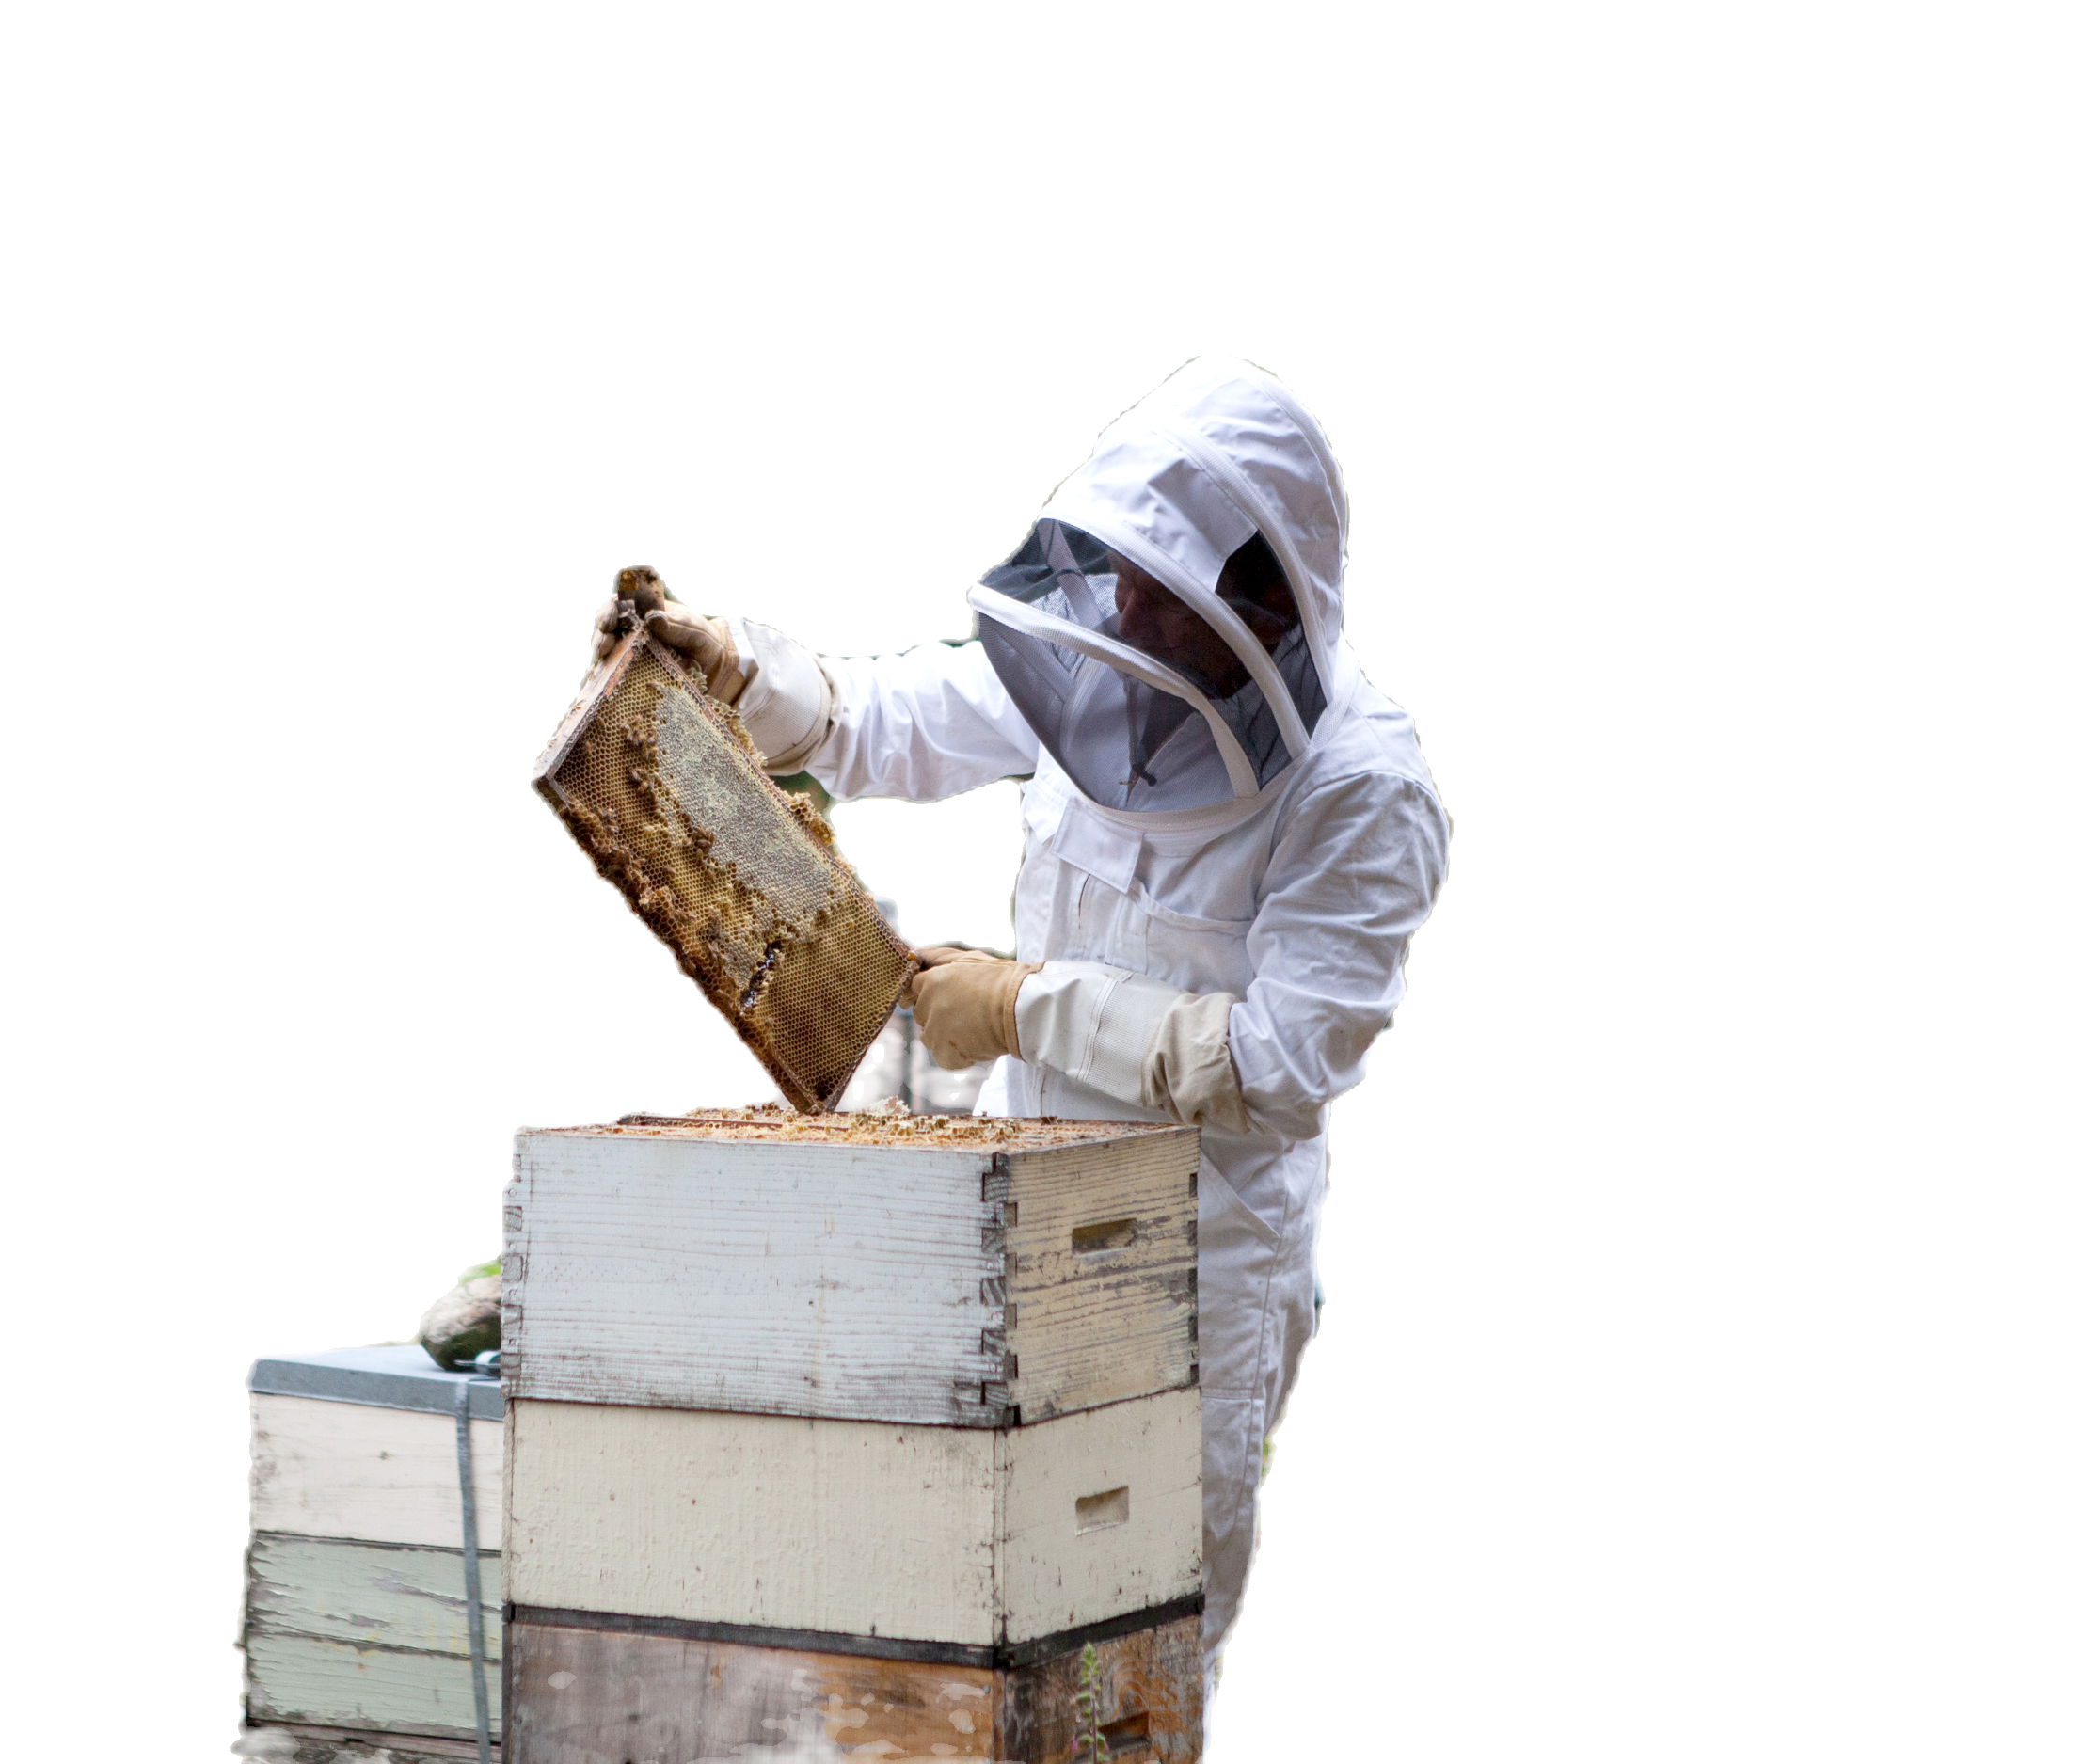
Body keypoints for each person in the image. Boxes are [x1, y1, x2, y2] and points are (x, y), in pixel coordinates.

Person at [588, 354, 1447, 1753]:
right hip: (1015, 1216)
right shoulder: (1110, 650)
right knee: (967, 1630)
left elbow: (1288, 1066)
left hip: (1194, 1268)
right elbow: (890, 719)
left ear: (1272, 595)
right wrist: (739, 664)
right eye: (1120, 572)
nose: (1129, 612)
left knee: (1136, 1665)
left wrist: (1028, 1002)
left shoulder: (1365, 791)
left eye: (1169, 589)